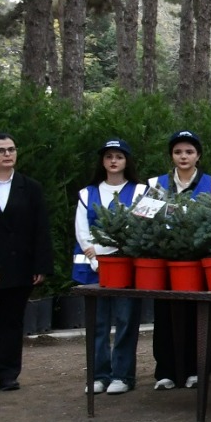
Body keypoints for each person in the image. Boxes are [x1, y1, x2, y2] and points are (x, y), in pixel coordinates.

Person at [147, 130, 211, 391]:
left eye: (189, 151)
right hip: (164, 260)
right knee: (164, 315)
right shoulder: (156, 183)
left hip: (198, 260)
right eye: (178, 152)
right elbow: (146, 217)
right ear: (171, 156)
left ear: (198, 155)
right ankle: (165, 371)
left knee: (197, 315)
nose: (183, 156)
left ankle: (196, 369)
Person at [74, 138, 145, 395]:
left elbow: (136, 227)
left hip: (126, 268)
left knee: (126, 320)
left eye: (119, 156)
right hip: (92, 270)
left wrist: (110, 253)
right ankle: (98, 375)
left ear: (127, 161)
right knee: (98, 324)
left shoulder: (140, 191)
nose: (113, 161)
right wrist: (95, 258)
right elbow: (83, 231)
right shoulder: (87, 193)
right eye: (108, 156)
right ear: (102, 162)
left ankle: (123, 375)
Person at [0, 133, 54, 391]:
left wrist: (41, 266)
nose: (7, 154)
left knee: (12, 320)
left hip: (19, 267)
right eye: (1, 151)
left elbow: (41, 229)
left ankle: (8, 373)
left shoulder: (30, 187)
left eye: (11, 149)